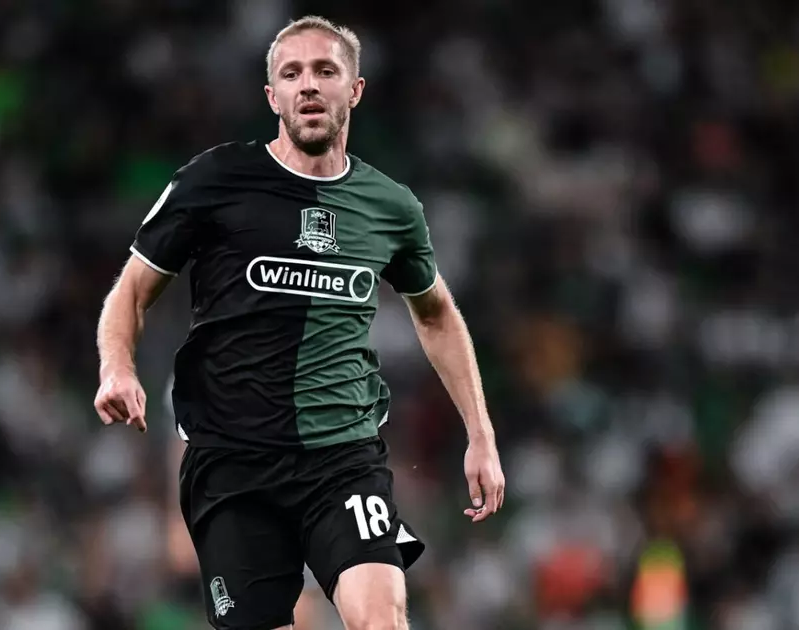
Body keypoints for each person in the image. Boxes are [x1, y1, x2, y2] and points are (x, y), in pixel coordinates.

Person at [94, 15, 505, 630]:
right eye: (292, 73)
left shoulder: (391, 207)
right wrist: (117, 368)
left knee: (382, 619)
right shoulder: (214, 180)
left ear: (355, 89)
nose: (308, 84)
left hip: (342, 456)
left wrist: (481, 434)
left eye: (324, 70)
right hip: (233, 461)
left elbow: (437, 313)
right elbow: (130, 291)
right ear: (272, 96)